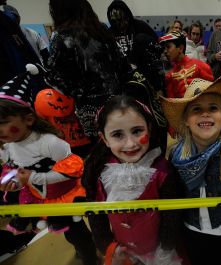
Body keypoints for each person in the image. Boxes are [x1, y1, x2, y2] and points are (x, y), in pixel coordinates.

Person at [0, 67, 97, 265]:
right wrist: (12, 182)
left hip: (64, 196)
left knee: (76, 232)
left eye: (3, 122)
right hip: (40, 197)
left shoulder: (50, 143)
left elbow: (73, 170)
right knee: (66, 233)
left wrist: (33, 178)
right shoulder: (7, 145)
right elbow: (13, 169)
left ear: (28, 119)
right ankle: (84, 249)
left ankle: (90, 256)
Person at [160, 74, 221, 265]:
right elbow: (174, 196)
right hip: (189, 227)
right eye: (197, 109)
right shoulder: (176, 154)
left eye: (213, 108)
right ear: (185, 120)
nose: (205, 113)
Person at [83, 95, 183, 265]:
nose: (130, 144)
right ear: (104, 139)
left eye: (137, 131)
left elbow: (171, 216)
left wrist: (166, 248)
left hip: (158, 252)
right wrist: (107, 246)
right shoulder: (99, 172)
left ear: (149, 129)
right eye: (117, 135)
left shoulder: (163, 172)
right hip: (122, 252)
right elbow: (96, 215)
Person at [46, 0, 131, 140]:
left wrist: (76, 93)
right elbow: (123, 64)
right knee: (121, 139)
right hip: (117, 99)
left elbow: (53, 76)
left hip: (89, 107)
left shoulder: (61, 36)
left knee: (101, 144)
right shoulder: (101, 29)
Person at [160, 31, 213, 98]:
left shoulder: (201, 66)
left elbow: (212, 93)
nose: (165, 51)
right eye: (164, 48)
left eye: (168, 47)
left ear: (180, 48)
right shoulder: (170, 76)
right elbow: (172, 102)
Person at [107, 0, 157, 68]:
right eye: (115, 21)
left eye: (122, 20)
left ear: (127, 16)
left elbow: (155, 40)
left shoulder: (139, 25)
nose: (119, 24)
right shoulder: (110, 32)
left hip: (143, 66)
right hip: (122, 70)